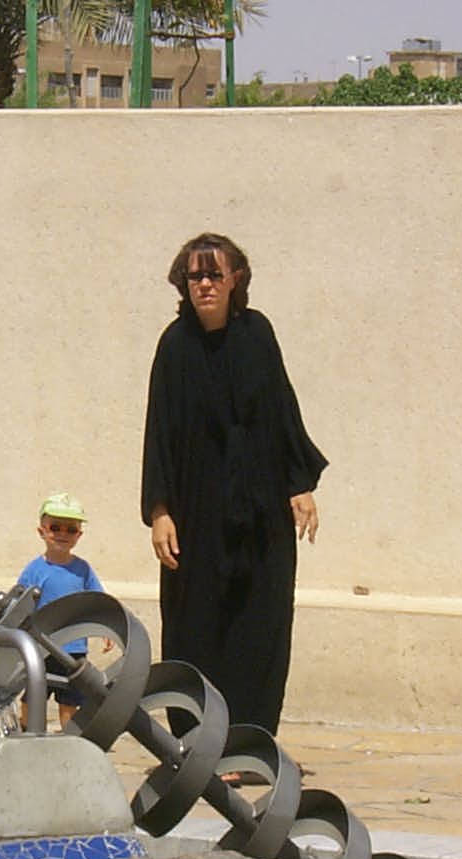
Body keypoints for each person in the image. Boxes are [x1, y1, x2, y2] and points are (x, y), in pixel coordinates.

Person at [140, 232, 328, 754]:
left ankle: (248, 743)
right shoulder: (175, 346)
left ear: (235, 279)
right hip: (195, 516)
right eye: (195, 275)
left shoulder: (257, 334)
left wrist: (299, 485)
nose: (204, 284)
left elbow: (282, 410)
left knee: (260, 625)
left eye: (214, 274)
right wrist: (160, 510)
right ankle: (196, 744)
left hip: (261, 512)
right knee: (195, 626)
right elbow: (159, 431)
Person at [15, 492, 108, 730]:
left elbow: (98, 601)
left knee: (70, 700)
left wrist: (106, 628)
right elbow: (19, 604)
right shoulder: (34, 570)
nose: (63, 534)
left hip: (73, 650)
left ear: (79, 535)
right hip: (42, 647)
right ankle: (27, 732)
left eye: (71, 529)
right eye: (55, 527)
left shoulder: (83, 570)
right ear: (42, 531)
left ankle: (68, 738)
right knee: (33, 696)